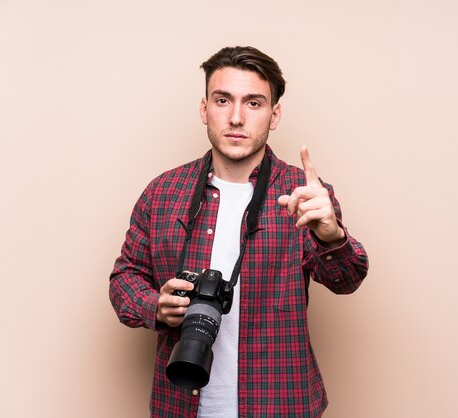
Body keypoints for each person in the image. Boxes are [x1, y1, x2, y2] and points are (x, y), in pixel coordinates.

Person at [109, 46, 369, 418]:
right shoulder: (163, 191)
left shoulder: (304, 194)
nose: (235, 117)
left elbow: (347, 279)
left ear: (274, 114)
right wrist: (157, 307)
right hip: (180, 405)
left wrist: (331, 235)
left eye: (253, 103)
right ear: (204, 109)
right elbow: (124, 278)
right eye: (222, 100)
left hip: (281, 404)